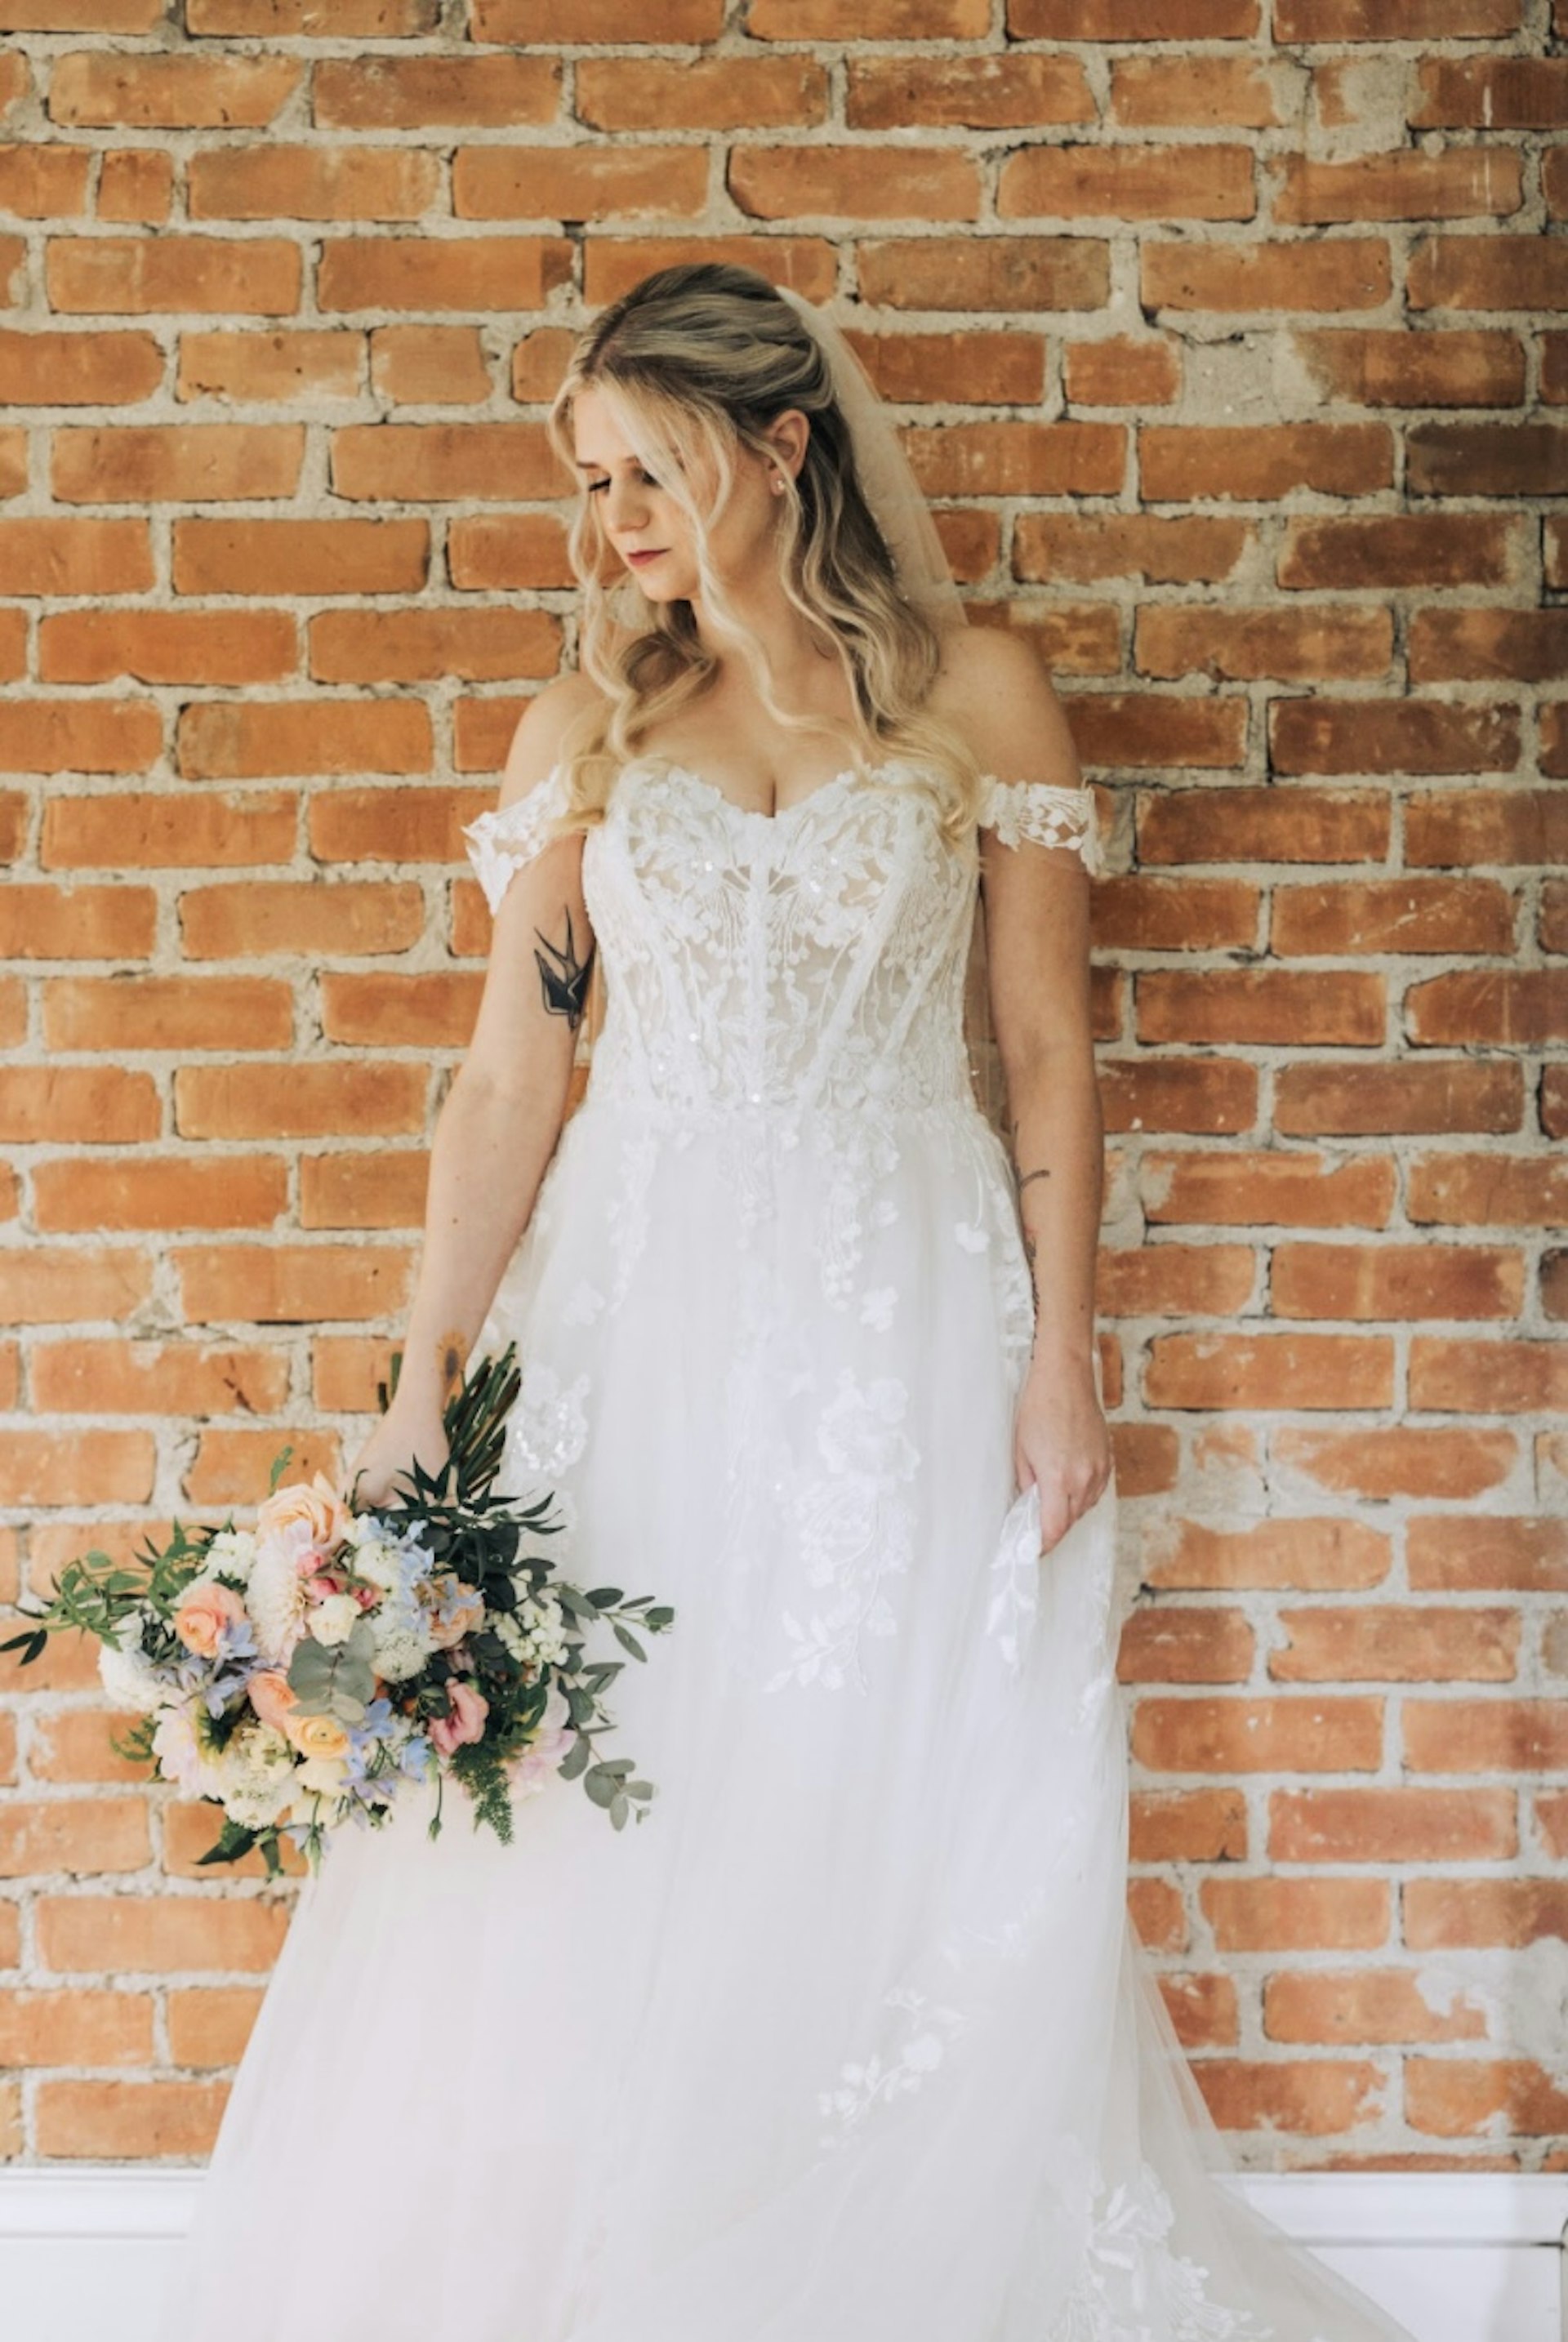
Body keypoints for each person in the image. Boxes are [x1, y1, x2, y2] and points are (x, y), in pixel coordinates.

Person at [154, 262, 1416, 2342]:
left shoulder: (970, 698)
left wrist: (1065, 1355)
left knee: (879, 1766)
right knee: (609, 1780)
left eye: (649, 468)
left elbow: (1042, 1049)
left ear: (781, 448)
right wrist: (415, 1385)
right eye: (590, 479)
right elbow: (507, 1077)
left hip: (897, 1312)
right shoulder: (590, 725)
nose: (613, 520)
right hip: (631, 1310)